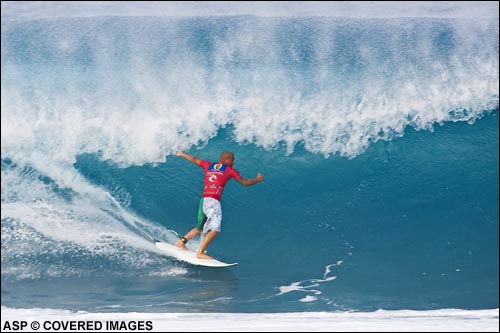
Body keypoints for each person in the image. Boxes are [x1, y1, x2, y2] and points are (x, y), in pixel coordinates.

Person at [174, 151, 264, 259]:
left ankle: (181, 242)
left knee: (200, 228)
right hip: (213, 200)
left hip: (204, 199)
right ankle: (200, 252)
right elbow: (245, 182)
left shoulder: (209, 165)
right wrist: (258, 179)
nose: (233, 162)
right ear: (226, 160)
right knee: (215, 229)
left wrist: (181, 154)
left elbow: (194, 159)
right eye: (232, 160)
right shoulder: (229, 170)